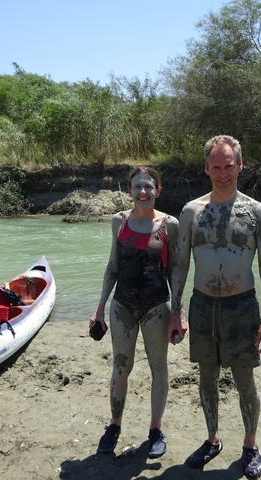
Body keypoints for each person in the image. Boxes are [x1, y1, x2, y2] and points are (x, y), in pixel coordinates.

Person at [167, 135, 261, 479]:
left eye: (229, 165)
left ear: (240, 165)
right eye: (216, 166)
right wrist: (176, 309)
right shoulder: (191, 211)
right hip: (202, 307)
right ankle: (213, 439)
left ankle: (250, 445)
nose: (223, 172)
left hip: (242, 307)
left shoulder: (256, 211)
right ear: (206, 168)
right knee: (207, 378)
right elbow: (181, 263)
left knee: (245, 380)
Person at [90, 166, 179, 459]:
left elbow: (174, 271)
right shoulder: (119, 222)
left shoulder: (170, 224)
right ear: (129, 191)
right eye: (137, 186)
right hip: (122, 306)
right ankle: (114, 425)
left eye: (149, 187)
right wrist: (100, 309)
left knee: (159, 369)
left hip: (156, 306)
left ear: (158, 191)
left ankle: (155, 430)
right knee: (121, 368)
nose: (143, 192)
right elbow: (112, 267)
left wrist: (177, 312)